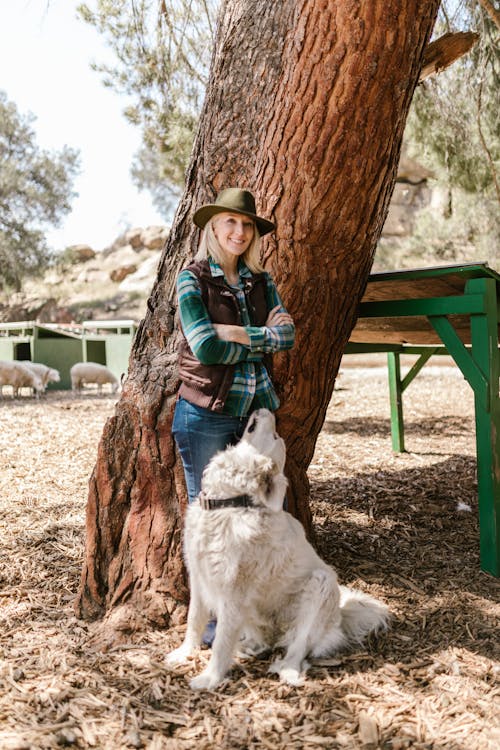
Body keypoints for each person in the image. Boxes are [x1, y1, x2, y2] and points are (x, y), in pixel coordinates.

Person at [172, 187, 295, 505]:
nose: (239, 232)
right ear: (213, 227)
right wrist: (264, 338)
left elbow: (288, 337)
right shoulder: (192, 279)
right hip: (206, 415)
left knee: (254, 508)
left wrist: (238, 333)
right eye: (230, 221)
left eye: (248, 225)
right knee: (212, 511)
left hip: (257, 416)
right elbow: (207, 349)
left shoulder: (261, 281)